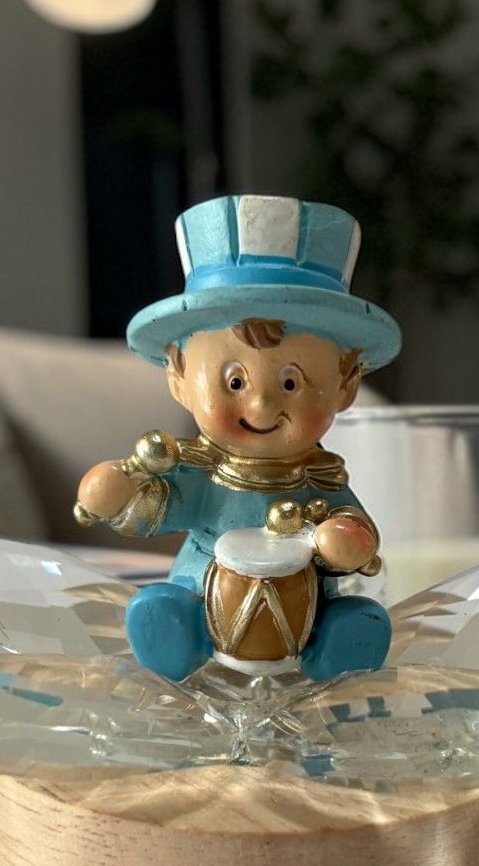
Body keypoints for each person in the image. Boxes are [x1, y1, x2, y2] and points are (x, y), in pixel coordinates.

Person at [77, 195, 400, 682]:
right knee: (165, 602)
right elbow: (157, 507)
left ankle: (334, 658)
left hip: (308, 609)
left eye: (291, 383)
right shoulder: (200, 471)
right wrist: (120, 492)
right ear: (178, 376)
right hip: (202, 592)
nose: (262, 407)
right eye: (234, 382)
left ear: (346, 384)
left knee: (359, 616)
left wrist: (343, 541)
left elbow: (355, 530)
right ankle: (177, 641)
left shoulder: (319, 479)